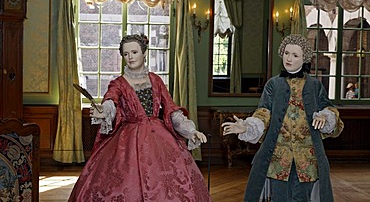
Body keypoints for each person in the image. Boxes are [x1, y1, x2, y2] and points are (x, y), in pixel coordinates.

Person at [69, 34, 212, 202]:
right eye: (126, 54)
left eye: (134, 52)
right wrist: (104, 111)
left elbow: (171, 110)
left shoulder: (156, 80)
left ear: (144, 53)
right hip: (128, 140)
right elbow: (111, 100)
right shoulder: (119, 83)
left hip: (159, 137)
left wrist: (191, 131)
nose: (130, 57)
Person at [222, 34, 344, 202]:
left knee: (302, 198)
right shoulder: (273, 84)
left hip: (308, 157)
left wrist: (325, 116)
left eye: (295, 55)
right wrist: (248, 127)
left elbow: (329, 108)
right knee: (280, 198)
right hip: (279, 156)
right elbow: (263, 112)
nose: (289, 58)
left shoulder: (315, 85)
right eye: (286, 53)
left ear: (304, 58)